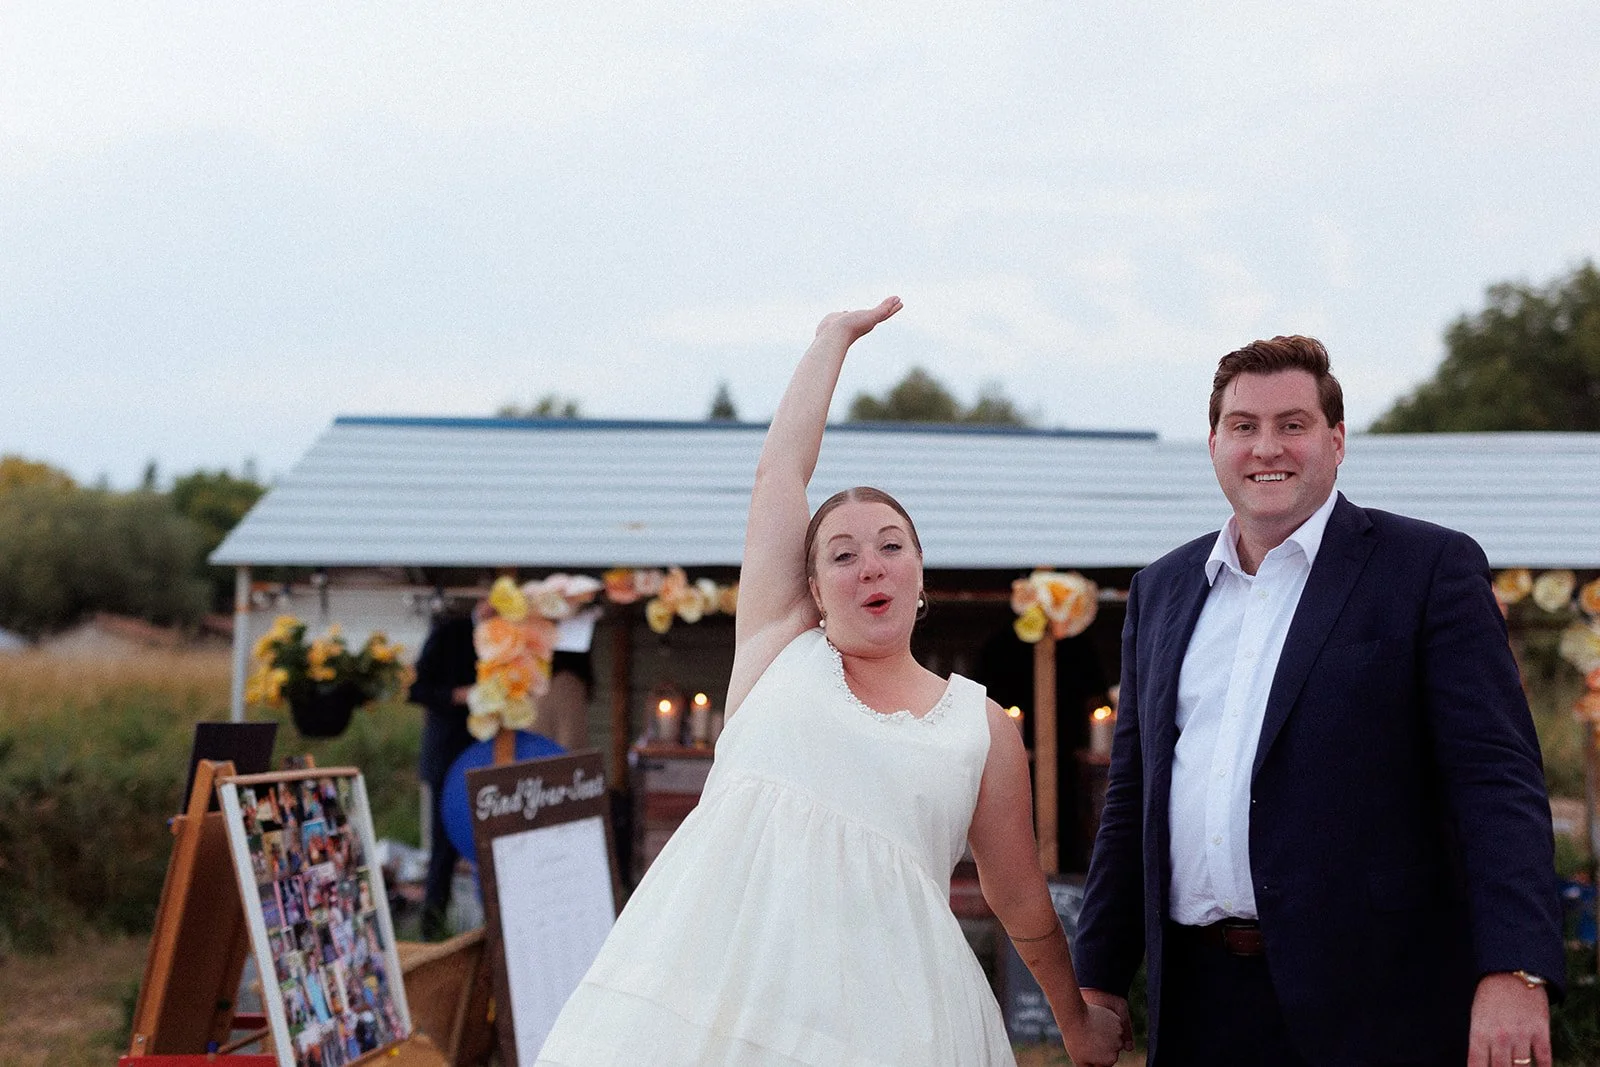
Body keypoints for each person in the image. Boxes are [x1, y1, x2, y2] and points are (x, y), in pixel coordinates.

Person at [536, 298, 1124, 1066]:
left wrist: (1075, 1023)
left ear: (919, 577)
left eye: (890, 545)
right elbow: (782, 469)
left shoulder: (979, 727)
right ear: (812, 588)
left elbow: (1020, 904)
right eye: (842, 554)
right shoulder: (779, 648)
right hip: (712, 1008)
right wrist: (830, 341)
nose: (868, 562)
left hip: (891, 1025)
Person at [1073, 335, 1565, 1066]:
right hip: (1200, 1003)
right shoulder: (1162, 590)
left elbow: (1497, 782)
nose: (1266, 446)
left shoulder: (1428, 569)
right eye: (1244, 426)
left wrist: (1515, 968)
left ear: (1336, 440)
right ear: (1214, 443)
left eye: (1292, 424)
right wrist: (1101, 978)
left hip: (1380, 1003)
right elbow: (1134, 796)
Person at [406, 606, 477, 940]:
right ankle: (432, 926)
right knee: (442, 845)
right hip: (448, 752)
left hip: (487, 753)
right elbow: (417, 689)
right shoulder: (450, 632)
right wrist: (456, 695)